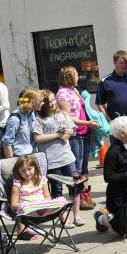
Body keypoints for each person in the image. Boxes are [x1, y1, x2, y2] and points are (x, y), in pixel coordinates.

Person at [33, 90, 82, 227]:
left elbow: (73, 131)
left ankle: (76, 216)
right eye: (49, 101)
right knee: (57, 190)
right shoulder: (39, 119)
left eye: (54, 100)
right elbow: (38, 138)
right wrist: (57, 135)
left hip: (68, 157)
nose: (53, 103)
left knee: (75, 186)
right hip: (52, 160)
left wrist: (66, 131)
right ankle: (63, 218)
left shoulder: (62, 113)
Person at [56, 67, 99, 211]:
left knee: (84, 166)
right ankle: (77, 197)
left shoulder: (74, 90)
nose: (78, 77)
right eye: (75, 74)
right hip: (75, 135)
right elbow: (67, 118)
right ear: (69, 76)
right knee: (77, 168)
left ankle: (85, 194)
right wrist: (87, 123)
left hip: (84, 132)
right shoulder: (62, 94)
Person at [9, 153, 68, 240]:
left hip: (43, 208)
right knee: (24, 207)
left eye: (29, 169)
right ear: (18, 171)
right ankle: (25, 230)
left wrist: (40, 203)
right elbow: (14, 204)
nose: (27, 173)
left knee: (63, 200)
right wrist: (31, 204)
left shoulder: (41, 180)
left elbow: (48, 197)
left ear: (35, 168)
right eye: (23, 171)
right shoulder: (18, 184)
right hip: (29, 211)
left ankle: (63, 221)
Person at [2, 88, 40, 158]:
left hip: (31, 154)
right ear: (31, 102)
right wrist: (12, 162)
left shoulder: (32, 114)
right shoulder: (15, 119)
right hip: (18, 157)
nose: (42, 103)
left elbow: (32, 139)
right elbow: (7, 143)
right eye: (40, 101)